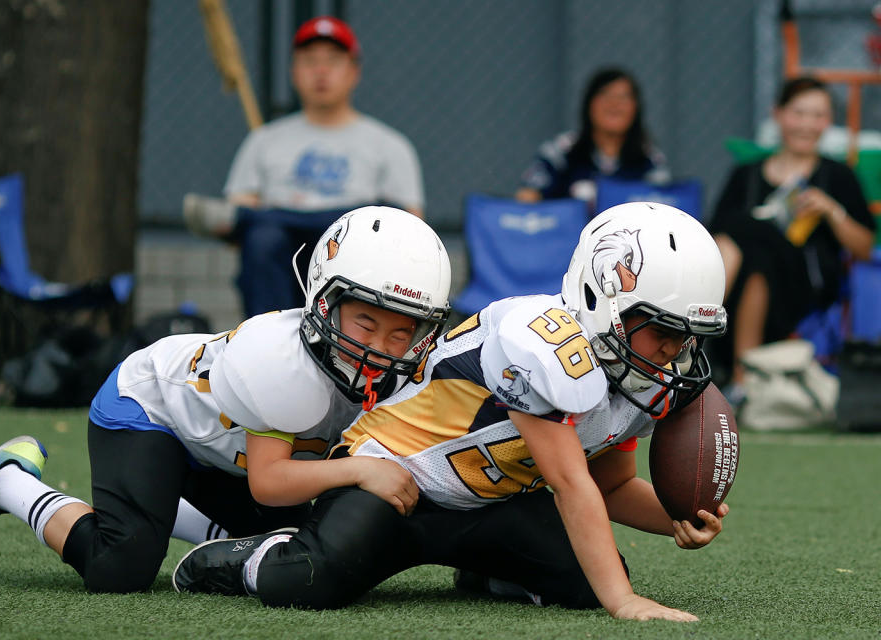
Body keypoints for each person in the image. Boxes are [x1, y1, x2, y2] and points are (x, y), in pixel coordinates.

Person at [173, 202, 731, 623]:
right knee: (312, 580)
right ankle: (239, 556)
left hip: (484, 505)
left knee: (579, 584)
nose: (675, 351)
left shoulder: (634, 377)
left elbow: (606, 488)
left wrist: (676, 517)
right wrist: (624, 602)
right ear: (602, 298)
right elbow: (568, 482)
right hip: (390, 483)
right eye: (664, 330)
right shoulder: (542, 342)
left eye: (690, 337)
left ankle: (484, 570)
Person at [0, 206, 451, 594]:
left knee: (288, 542)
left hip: (221, 447)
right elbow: (270, 483)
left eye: (401, 333)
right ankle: (7, 480)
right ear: (323, 298)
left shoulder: (403, 373)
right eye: (365, 320)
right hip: (152, 410)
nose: (380, 348)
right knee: (121, 569)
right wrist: (360, 471)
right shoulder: (279, 363)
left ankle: (154, 505)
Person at [184, 16, 425, 318]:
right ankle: (271, 339)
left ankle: (287, 216)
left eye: (333, 61)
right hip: (282, 260)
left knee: (371, 213)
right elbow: (237, 241)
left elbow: (412, 229)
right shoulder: (264, 141)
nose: (321, 71)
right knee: (262, 236)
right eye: (309, 61)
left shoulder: (390, 146)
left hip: (351, 259)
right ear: (294, 72)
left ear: (354, 72)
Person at [709, 76, 876, 397]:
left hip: (804, 286)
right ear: (779, 114)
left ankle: (703, 348)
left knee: (752, 247)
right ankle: (740, 378)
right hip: (739, 278)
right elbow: (714, 237)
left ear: (828, 122)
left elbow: (865, 248)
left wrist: (831, 211)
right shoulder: (746, 175)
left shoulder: (837, 176)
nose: (808, 124)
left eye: (818, 115)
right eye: (799, 113)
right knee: (738, 245)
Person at [515, 67, 669, 209]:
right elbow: (526, 197)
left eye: (624, 97)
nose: (614, 104)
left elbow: (661, 208)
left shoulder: (649, 158)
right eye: (605, 94)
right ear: (589, 104)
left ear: (636, 108)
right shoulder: (562, 150)